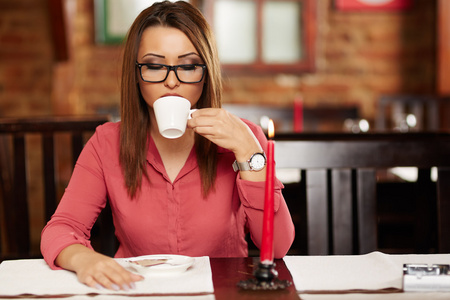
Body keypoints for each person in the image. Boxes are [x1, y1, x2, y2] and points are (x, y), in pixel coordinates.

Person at [41, 0, 295, 292]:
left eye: (188, 66)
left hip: (222, 290)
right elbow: (60, 229)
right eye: (154, 65)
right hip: (137, 290)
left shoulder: (243, 136)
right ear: (136, 75)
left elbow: (277, 246)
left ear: (206, 72)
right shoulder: (107, 143)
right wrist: (84, 259)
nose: (172, 81)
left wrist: (250, 154)